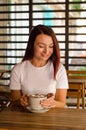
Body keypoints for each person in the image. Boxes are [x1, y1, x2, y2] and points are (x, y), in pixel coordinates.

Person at [9, 24, 69, 108]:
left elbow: (62, 103)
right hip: (27, 116)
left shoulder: (59, 68)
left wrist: (52, 103)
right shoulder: (18, 69)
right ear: (32, 45)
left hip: (53, 117)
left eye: (51, 46)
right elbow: (15, 101)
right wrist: (21, 101)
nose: (46, 51)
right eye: (41, 46)